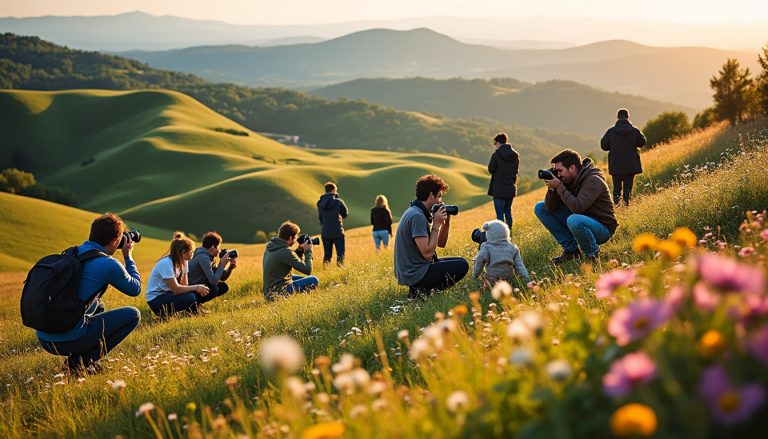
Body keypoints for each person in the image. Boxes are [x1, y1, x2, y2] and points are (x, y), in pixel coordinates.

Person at [36, 213, 142, 374]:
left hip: (44, 337)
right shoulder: (108, 264)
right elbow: (135, 289)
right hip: (67, 340)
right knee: (133, 315)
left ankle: (81, 357)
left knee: (98, 304)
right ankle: (79, 364)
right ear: (115, 241)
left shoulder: (73, 253)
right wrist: (128, 257)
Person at [534, 149, 618, 264]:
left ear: (572, 168)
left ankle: (592, 255)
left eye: (560, 171)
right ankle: (571, 251)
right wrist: (552, 189)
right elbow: (550, 208)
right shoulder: (567, 180)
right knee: (540, 208)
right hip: (581, 220)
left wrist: (560, 187)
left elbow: (578, 207)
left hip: (602, 228)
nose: (558, 175)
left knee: (574, 219)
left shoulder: (593, 180)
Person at [394, 174, 469, 298]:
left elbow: (441, 244)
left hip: (417, 268)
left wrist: (446, 222)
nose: (441, 201)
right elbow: (427, 254)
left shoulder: (418, 211)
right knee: (462, 266)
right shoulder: (416, 216)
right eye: (439, 196)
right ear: (431, 195)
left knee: (460, 261)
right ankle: (422, 292)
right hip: (415, 274)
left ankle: (423, 291)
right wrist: (436, 224)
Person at [145, 233, 211, 317]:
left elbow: (184, 285)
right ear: (183, 252)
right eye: (191, 252)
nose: (193, 254)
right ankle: (166, 314)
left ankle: (193, 312)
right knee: (190, 297)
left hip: (167, 295)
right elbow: (176, 289)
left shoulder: (184, 261)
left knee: (195, 293)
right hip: (156, 300)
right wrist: (197, 287)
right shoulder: (166, 263)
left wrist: (197, 289)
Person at [600, 108, 647, 206]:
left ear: (617, 117)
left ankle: (617, 208)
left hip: (616, 165)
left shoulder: (611, 131)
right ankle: (627, 207)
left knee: (616, 189)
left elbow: (604, 146)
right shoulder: (634, 131)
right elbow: (642, 142)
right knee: (628, 190)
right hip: (630, 165)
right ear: (628, 117)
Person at [262, 221, 319, 301]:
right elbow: (307, 270)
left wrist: (300, 250)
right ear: (290, 238)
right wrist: (308, 250)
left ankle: (301, 297)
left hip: (268, 291)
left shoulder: (271, 246)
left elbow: (290, 260)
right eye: (295, 237)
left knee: (298, 277)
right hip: (277, 293)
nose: (295, 240)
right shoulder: (285, 251)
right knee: (313, 280)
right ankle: (302, 301)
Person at [471, 219, 529, 286]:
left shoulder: (486, 247)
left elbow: (479, 263)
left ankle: (486, 287)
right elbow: (520, 266)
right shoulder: (512, 248)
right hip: (508, 280)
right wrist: (527, 279)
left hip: (492, 280)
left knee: (485, 280)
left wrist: (474, 277)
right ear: (506, 232)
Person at [188, 231, 236, 299]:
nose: (219, 250)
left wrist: (230, 267)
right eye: (218, 247)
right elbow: (213, 281)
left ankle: (196, 304)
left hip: (197, 285)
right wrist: (222, 264)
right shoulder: (203, 257)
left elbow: (221, 277)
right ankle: (193, 306)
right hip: (190, 288)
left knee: (223, 287)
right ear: (212, 247)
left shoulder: (207, 256)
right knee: (214, 289)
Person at [487, 132, 520, 228]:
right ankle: (509, 234)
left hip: (499, 189)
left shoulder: (496, 155)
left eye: (495, 143)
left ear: (498, 142)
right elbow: (516, 171)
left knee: (500, 215)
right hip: (510, 187)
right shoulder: (515, 155)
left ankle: (501, 236)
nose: (495, 146)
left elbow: (491, 169)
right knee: (508, 212)